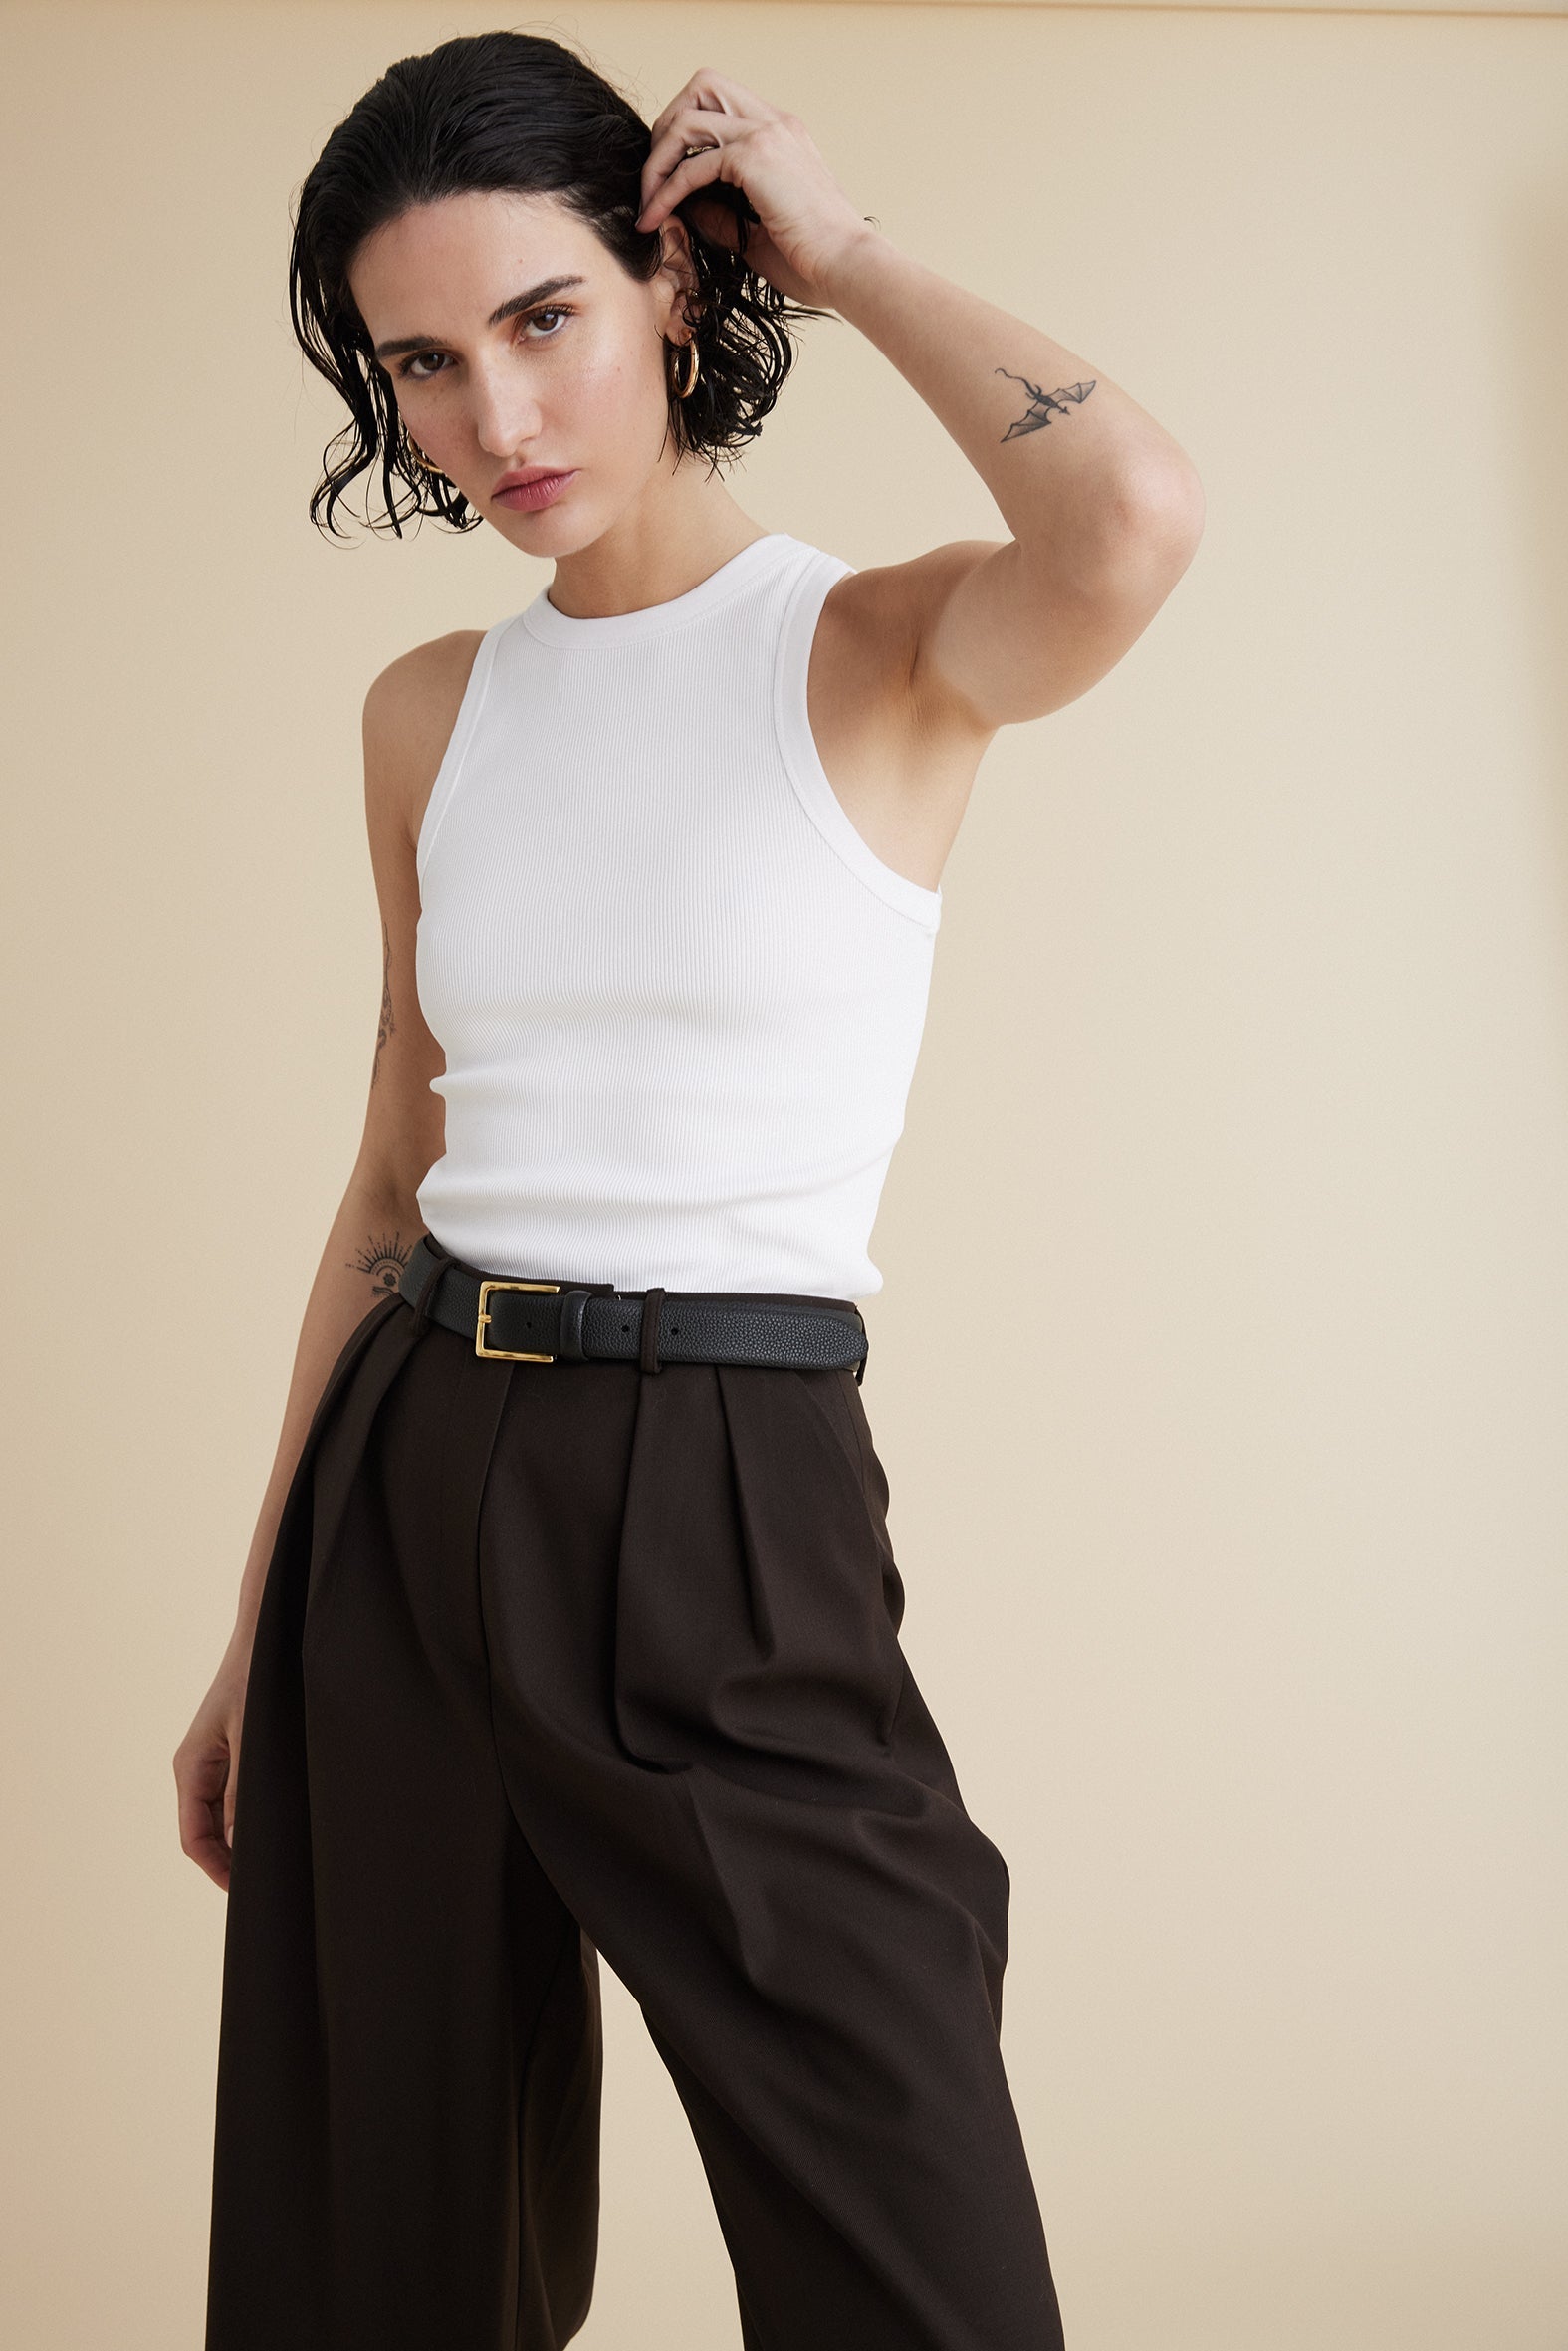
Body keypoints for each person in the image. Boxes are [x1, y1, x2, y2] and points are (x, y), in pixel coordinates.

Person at [174, 29, 1203, 2351]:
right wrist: (260, 1615)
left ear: (671, 285)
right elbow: (393, 1166)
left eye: (541, 318)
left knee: (912, 2247)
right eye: (423, 364)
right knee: (379, 2249)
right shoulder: (429, 710)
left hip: (725, 1484)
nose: (492, 417)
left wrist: (837, 245)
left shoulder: (873, 649)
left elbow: (1127, 511)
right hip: (405, 1472)